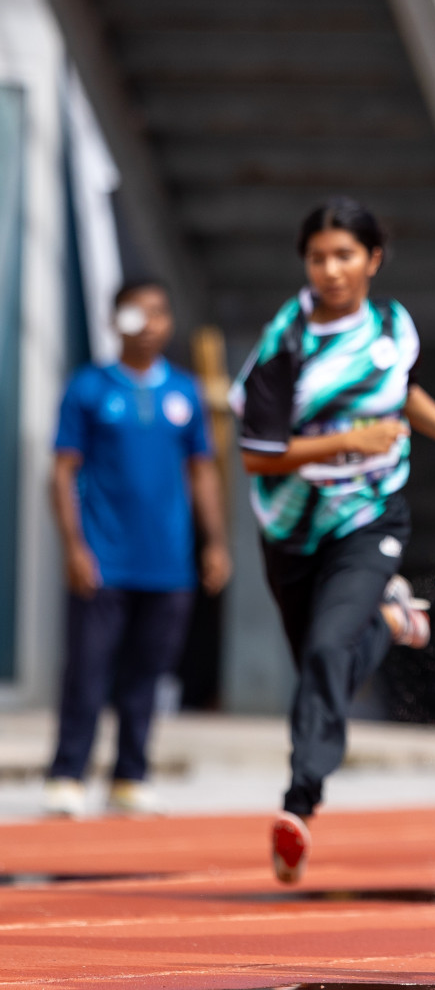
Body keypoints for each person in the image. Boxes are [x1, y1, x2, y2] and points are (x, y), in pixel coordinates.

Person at [230, 197, 435, 883]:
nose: (331, 270)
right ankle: (395, 619)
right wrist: (350, 439)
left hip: (369, 520)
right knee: (321, 662)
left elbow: (404, 391)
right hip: (290, 527)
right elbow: (259, 453)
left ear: (372, 259)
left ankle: (298, 803)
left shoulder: (395, 325)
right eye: (318, 258)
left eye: (345, 256)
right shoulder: (287, 341)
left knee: (325, 648)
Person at [42, 282, 231, 817]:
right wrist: (74, 546)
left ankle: (130, 775)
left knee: (148, 672)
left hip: (168, 563)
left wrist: (214, 542)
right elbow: (61, 472)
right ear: (114, 321)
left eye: (158, 312)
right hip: (103, 558)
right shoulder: (88, 388)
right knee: (87, 669)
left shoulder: (186, 392)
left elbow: (202, 473)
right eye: (135, 313)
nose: (147, 323)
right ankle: (67, 774)